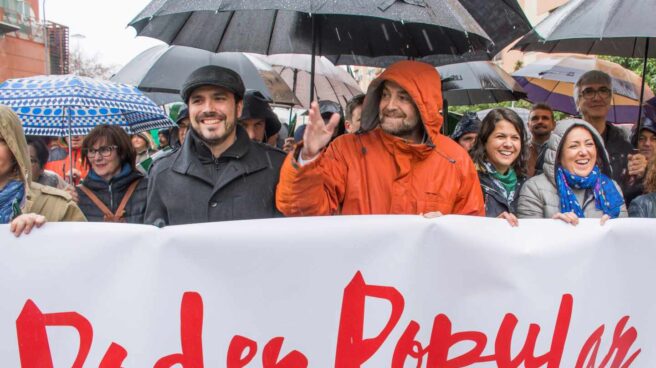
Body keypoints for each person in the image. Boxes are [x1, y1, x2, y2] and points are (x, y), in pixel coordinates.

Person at [276, 61, 484, 216]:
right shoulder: (347, 150)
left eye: (403, 97)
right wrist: (307, 158)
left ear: (425, 105)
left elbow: (469, 233)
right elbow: (300, 210)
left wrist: (448, 228)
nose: (390, 105)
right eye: (385, 95)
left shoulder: (455, 160)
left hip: (423, 274)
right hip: (359, 273)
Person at [145, 65, 286, 226]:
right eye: (198, 100)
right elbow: (156, 246)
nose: (208, 109)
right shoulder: (162, 173)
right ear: (189, 109)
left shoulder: (276, 166)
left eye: (219, 99)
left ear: (238, 108)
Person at [517, 119, 627, 224]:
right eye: (574, 146)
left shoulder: (612, 187)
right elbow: (530, 239)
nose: (584, 152)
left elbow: (623, 238)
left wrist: (614, 227)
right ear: (558, 155)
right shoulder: (534, 189)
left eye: (589, 144)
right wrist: (554, 228)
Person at [0, 105, 85, 236]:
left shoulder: (58, 207)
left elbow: (87, 251)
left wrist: (39, 236)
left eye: (1, 140)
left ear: (14, 147)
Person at [574, 70, 646, 204]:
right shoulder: (562, 141)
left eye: (603, 90)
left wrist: (642, 173)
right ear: (578, 101)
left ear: (610, 99)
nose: (597, 97)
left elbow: (634, 195)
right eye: (589, 92)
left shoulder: (626, 148)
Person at [76, 125, 148, 223]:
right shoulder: (77, 195)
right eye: (92, 151)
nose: (97, 158)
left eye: (105, 150)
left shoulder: (147, 188)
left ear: (122, 152)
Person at [471, 109, 527, 225]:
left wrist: (555, 221)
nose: (508, 144)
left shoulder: (527, 185)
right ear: (484, 140)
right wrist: (493, 226)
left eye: (515, 138)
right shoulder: (470, 181)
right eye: (501, 136)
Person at [527, 103, 556, 177]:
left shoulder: (560, 150)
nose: (540, 121)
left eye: (545, 118)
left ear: (553, 125)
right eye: (535, 118)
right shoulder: (519, 149)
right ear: (528, 125)